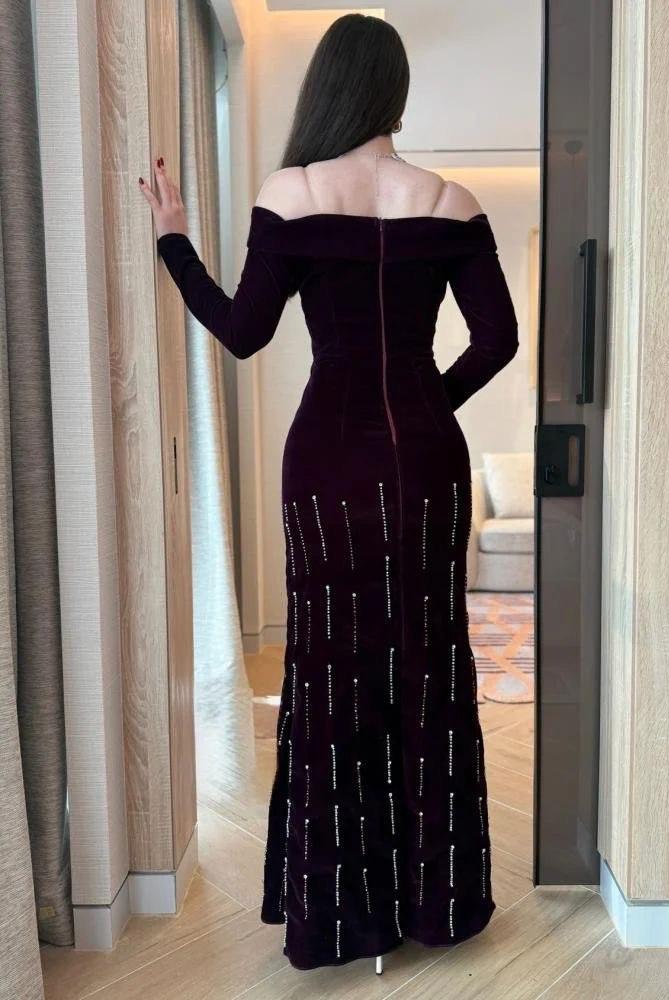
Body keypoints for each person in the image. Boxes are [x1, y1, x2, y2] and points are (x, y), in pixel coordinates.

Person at [140, 12, 518, 973]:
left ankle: (346, 917)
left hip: (327, 463)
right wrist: (423, 404)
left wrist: (176, 244)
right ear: (394, 93)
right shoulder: (452, 199)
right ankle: (434, 903)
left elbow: (243, 332)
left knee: (337, 666)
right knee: (426, 659)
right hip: (427, 465)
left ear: (328, 89)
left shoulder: (294, 191)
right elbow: (498, 341)